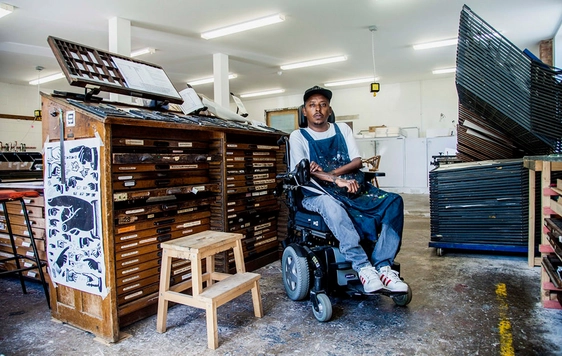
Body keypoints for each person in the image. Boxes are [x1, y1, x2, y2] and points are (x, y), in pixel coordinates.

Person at [288, 85, 408, 293]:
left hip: (352, 187)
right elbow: (303, 171)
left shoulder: (342, 129)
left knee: (393, 201)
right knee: (332, 205)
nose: (318, 109)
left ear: (330, 110)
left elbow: (357, 161)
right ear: (304, 111)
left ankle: (383, 266)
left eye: (323, 105)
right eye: (312, 105)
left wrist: (333, 174)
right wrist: (336, 181)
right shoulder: (298, 137)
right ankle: (362, 266)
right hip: (316, 194)